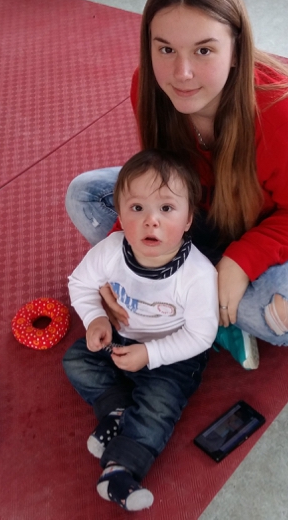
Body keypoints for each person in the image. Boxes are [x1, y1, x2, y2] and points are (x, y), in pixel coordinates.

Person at [65, 0, 288, 371]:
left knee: (283, 315)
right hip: (204, 206)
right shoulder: (148, 89)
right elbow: (161, 183)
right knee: (84, 196)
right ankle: (202, 300)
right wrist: (122, 255)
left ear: (236, 49)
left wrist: (242, 260)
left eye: (203, 50)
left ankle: (191, 299)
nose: (182, 73)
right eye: (165, 49)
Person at [64, 149, 218, 512]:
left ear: (188, 219)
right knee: (76, 360)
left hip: (171, 354)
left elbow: (200, 336)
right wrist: (95, 319)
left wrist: (150, 354)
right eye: (137, 208)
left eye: (166, 208)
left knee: (158, 406)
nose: (151, 221)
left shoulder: (198, 275)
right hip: (120, 338)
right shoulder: (110, 250)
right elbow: (80, 283)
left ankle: (119, 470)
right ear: (120, 215)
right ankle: (115, 409)